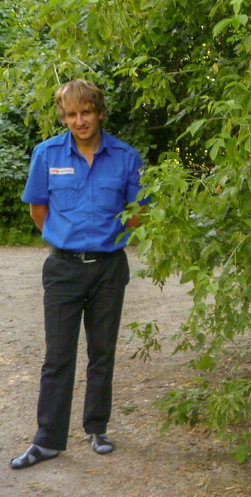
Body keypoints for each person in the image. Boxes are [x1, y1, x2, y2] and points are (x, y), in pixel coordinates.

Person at [10, 79, 146, 469]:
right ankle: (47, 440)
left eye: (86, 112)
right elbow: (39, 212)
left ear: (100, 112)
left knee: (102, 353)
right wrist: (67, 241)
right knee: (57, 356)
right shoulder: (46, 154)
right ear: (64, 117)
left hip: (108, 268)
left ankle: (96, 428)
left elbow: (136, 214)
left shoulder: (125, 157)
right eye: (72, 114)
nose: (80, 120)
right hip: (63, 269)